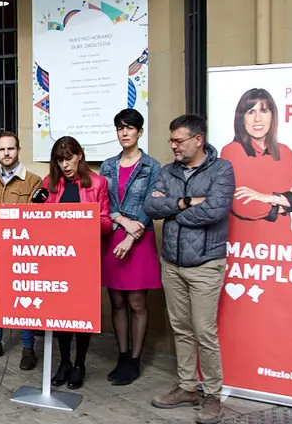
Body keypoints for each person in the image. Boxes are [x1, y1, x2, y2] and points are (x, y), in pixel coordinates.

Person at [144, 114, 234, 424]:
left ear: (198, 139)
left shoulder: (222, 169)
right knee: (181, 328)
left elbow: (216, 209)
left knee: (204, 332)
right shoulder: (168, 171)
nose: (173, 146)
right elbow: (151, 207)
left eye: (178, 141)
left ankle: (212, 394)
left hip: (205, 265)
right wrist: (184, 203)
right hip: (172, 263)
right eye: (171, 140)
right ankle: (187, 387)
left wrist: (174, 211)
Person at [42, 136, 112, 390]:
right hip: (58, 259)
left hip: (85, 258)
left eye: (69, 158)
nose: (65, 164)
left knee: (81, 315)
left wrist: (84, 218)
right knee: (61, 314)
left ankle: (80, 363)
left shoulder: (98, 183)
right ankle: (64, 362)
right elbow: (39, 219)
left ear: (79, 155)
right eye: (60, 160)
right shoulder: (49, 184)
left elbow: (106, 223)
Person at [98, 109, 162, 386]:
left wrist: (130, 235)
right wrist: (122, 221)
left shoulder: (152, 167)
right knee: (117, 300)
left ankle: (135, 360)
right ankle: (122, 355)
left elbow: (152, 204)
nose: (124, 133)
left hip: (139, 238)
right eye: (120, 128)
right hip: (113, 236)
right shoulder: (107, 165)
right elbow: (103, 202)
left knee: (136, 302)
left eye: (130, 128)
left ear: (140, 132)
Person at [0, 131, 42, 370]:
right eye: (1, 149)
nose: (6, 153)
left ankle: (28, 347)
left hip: (21, 250)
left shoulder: (33, 181)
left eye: (10, 149)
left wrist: (12, 239)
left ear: (18, 150)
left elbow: (35, 214)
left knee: (23, 297)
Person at [220, 88, 292, 234]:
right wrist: (289, 200)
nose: (258, 119)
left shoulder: (283, 152)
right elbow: (244, 206)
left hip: (283, 243)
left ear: (273, 116)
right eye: (251, 112)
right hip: (247, 242)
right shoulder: (232, 151)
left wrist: (266, 197)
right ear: (242, 118)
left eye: (264, 111)